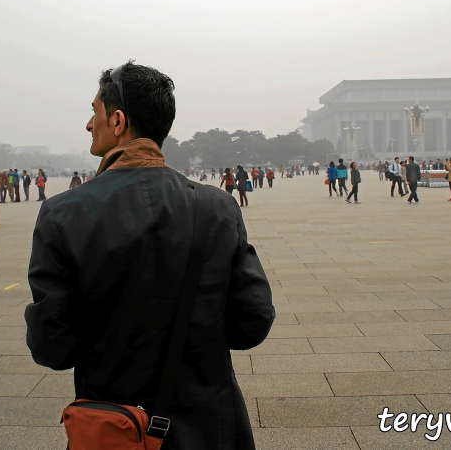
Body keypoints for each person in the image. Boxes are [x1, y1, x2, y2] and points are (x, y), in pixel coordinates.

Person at [25, 61, 274, 449]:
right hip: (211, 427)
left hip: (116, 429)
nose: (89, 125)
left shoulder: (63, 214)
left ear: (118, 121)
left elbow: (52, 347)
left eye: (94, 112)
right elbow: (252, 323)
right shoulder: (218, 208)